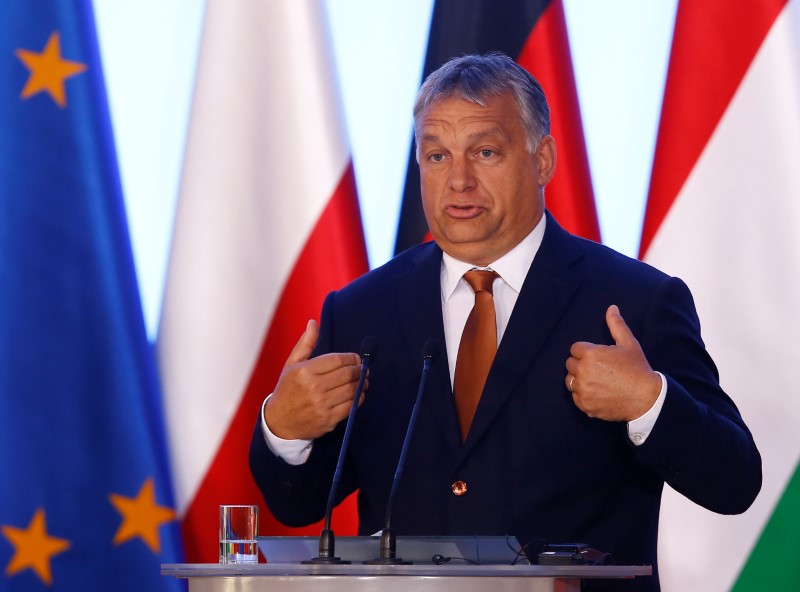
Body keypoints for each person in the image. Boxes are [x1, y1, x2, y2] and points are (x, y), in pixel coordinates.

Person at [249, 53, 761, 591]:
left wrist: (648, 402)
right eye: (437, 156)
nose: (459, 180)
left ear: (542, 161)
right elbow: (299, 503)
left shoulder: (635, 302)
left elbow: (736, 483)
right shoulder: (360, 311)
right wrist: (284, 429)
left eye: (485, 152)